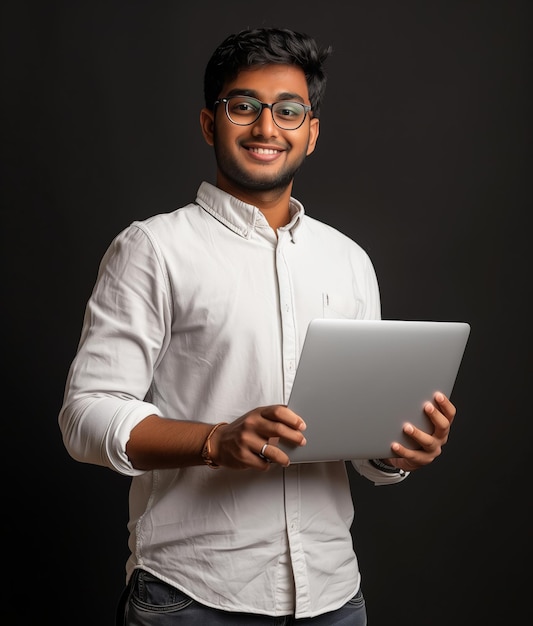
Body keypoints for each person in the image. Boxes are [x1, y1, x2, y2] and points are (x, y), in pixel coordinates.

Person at [59, 27, 457, 626]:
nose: (267, 128)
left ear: (311, 133)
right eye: (243, 106)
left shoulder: (349, 260)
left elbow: (361, 449)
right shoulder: (153, 249)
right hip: (192, 597)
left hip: (333, 596)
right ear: (209, 124)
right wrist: (214, 441)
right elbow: (84, 416)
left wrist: (401, 451)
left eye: (288, 111)